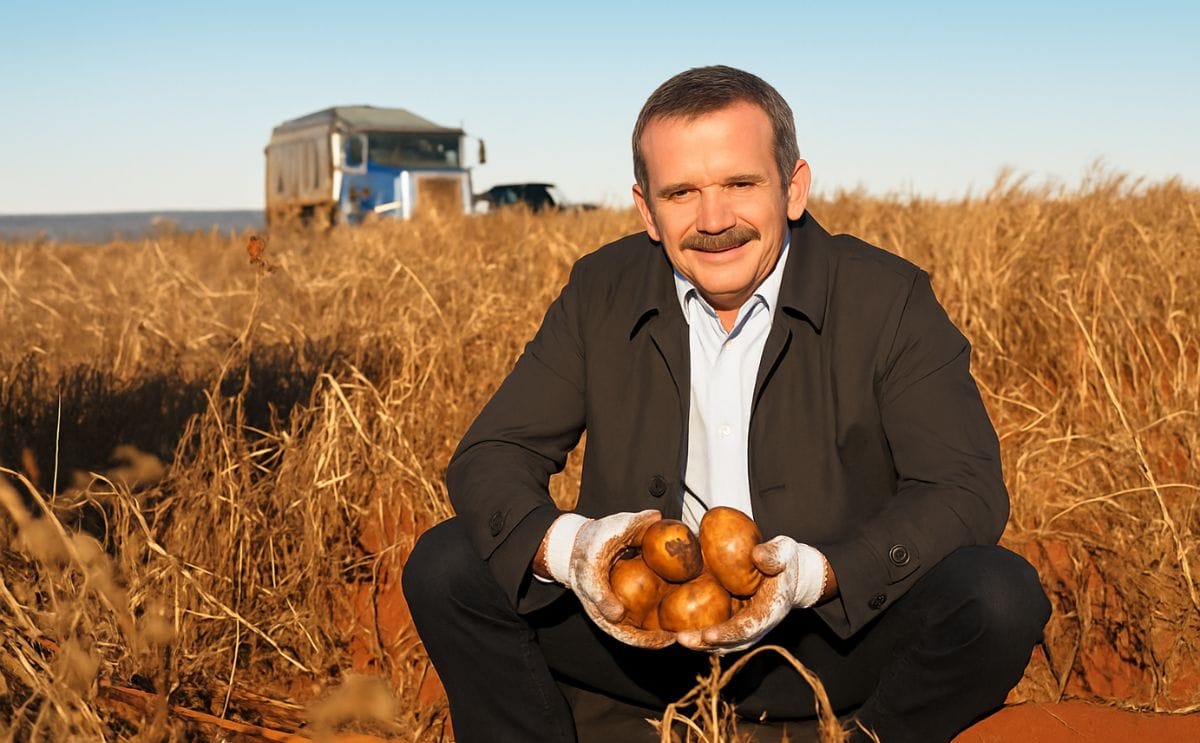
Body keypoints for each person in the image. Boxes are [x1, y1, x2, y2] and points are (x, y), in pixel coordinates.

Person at [403, 65, 1050, 743]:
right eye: (681, 192)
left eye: (741, 184)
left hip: (829, 644)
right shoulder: (601, 290)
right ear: (646, 209)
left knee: (998, 595)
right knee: (450, 565)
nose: (715, 221)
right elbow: (492, 453)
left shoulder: (888, 299)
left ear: (793, 188)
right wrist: (572, 551)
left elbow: (965, 488)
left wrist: (820, 575)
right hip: (641, 643)